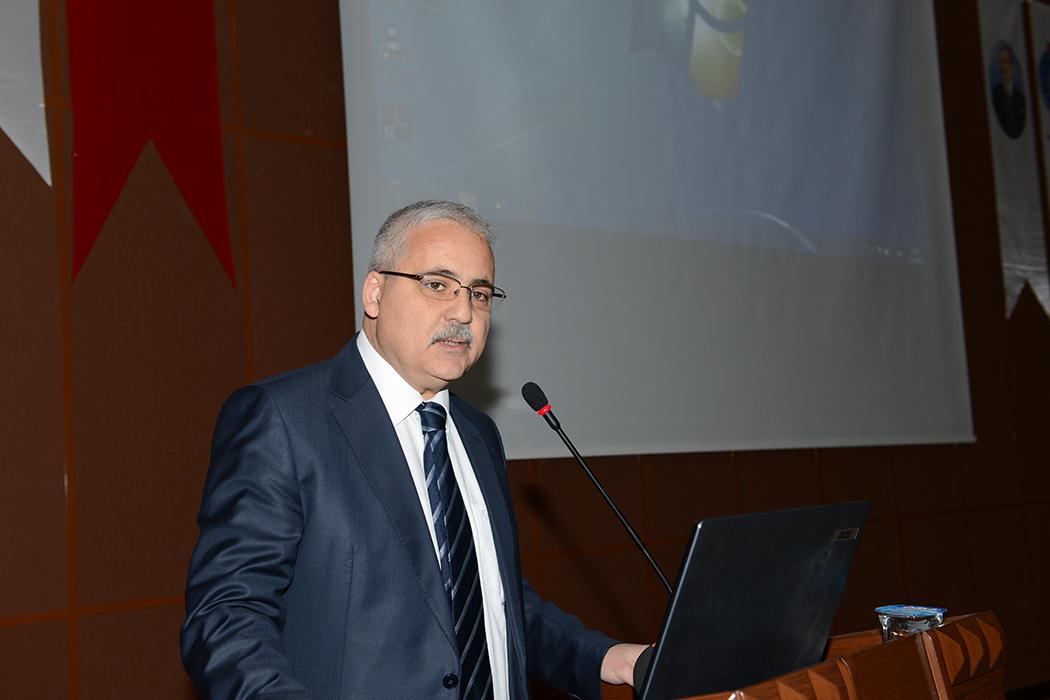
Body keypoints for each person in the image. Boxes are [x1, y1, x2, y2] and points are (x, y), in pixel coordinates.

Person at [181, 200, 647, 700]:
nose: (464, 312)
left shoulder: (478, 434)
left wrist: (604, 657)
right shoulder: (284, 419)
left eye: (480, 294)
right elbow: (226, 616)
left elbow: (493, 605)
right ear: (375, 293)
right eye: (438, 285)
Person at [992, 45, 1025, 139]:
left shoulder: (1020, 97)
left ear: (1012, 66)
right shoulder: (996, 92)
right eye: (1001, 62)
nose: (1004, 67)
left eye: (1006, 62)